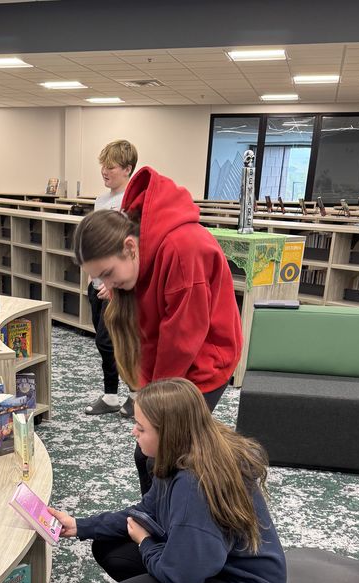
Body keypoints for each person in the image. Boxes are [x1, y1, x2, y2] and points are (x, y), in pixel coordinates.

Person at [49, 378, 286, 583]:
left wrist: (147, 544)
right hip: (212, 565)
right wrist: (80, 525)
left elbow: (181, 578)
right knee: (110, 545)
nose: (134, 432)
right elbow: (147, 511)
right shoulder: (186, 452)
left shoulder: (195, 486)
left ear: (169, 433)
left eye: (141, 427)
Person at [74, 166, 243, 493]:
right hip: (172, 352)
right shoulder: (142, 250)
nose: (107, 286)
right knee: (149, 456)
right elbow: (154, 333)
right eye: (100, 278)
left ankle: (178, 526)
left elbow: (182, 340)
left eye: (108, 273)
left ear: (129, 248)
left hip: (207, 360)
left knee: (167, 458)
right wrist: (145, 392)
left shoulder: (182, 249)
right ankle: (159, 520)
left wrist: (151, 401)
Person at [85, 140, 138, 418]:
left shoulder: (130, 201)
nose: (104, 171)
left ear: (128, 168)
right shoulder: (102, 200)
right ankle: (111, 395)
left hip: (114, 287)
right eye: (102, 165)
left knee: (117, 341)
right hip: (96, 283)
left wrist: (114, 284)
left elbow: (129, 248)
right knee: (103, 342)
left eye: (111, 167)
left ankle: (134, 395)